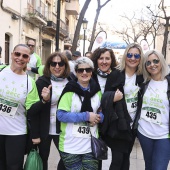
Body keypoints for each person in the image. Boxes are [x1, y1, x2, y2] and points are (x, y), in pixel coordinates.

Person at [0, 44, 45, 170]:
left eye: (25, 56)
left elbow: (32, 110)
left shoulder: (29, 82)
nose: (20, 58)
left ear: (28, 59)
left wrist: (44, 101)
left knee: (14, 167)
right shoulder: (1, 70)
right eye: (17, 54)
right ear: (12, 54)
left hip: (16, 132)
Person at [101, 43, 144, 170]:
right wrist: (113, 98)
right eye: (130, 55)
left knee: (126, 160)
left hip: (132, 126)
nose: (133, 58)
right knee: (117, 161)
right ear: (125, 56)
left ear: (140, 58)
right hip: (118, 125)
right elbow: (105, 98)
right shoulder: (115, 74)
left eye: (136, 55)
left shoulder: (142, 77)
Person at [57, 57, 104, 170]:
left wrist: (99, 118)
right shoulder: (69, 90)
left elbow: (101, 112)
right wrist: (86, 116)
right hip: (70, 146)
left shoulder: (97, 91)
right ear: (76, 72)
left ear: (91, 72)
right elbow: (61, 115)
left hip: (90, 145)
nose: (84, 73)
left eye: (87, 70)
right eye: (80, 70)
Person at [32, 52, 76, 170]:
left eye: (60, 63)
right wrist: (35, 134)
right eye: (53, 63)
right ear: (49, 65)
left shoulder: (71, 80)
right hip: (45, 129)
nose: (57, 67)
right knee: (42, 159)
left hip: (64, 129)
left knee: (67, 159)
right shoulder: (42, 82)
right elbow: (34, 111)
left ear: (65, 65)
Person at [136, 50, 170, 170]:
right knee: (149, 166)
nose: (152, 65)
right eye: (148, 62)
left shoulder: (168, 83)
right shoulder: (143, 83)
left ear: (161, 62)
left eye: (156, 61)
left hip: (164, 135)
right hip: (144, 133)